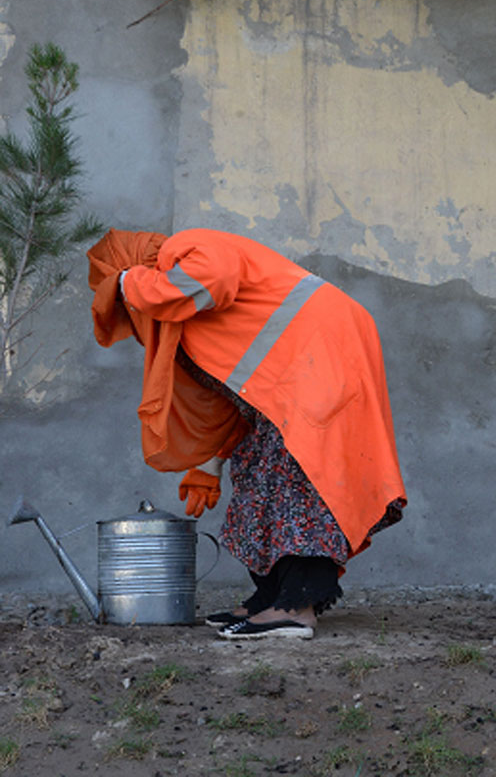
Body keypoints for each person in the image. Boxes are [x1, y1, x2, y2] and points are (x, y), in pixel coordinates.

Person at [87, 228, 407, 640]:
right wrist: (209, 466)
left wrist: (131, 283)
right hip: (292, 370)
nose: (130, 314)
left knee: (300, 473)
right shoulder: (182, 313)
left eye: (120, 303)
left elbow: (214, 276)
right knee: (257, 466)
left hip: (318, 349)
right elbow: (231, 400)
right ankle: (272, 597)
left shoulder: (184, 249)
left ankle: (297, 607)